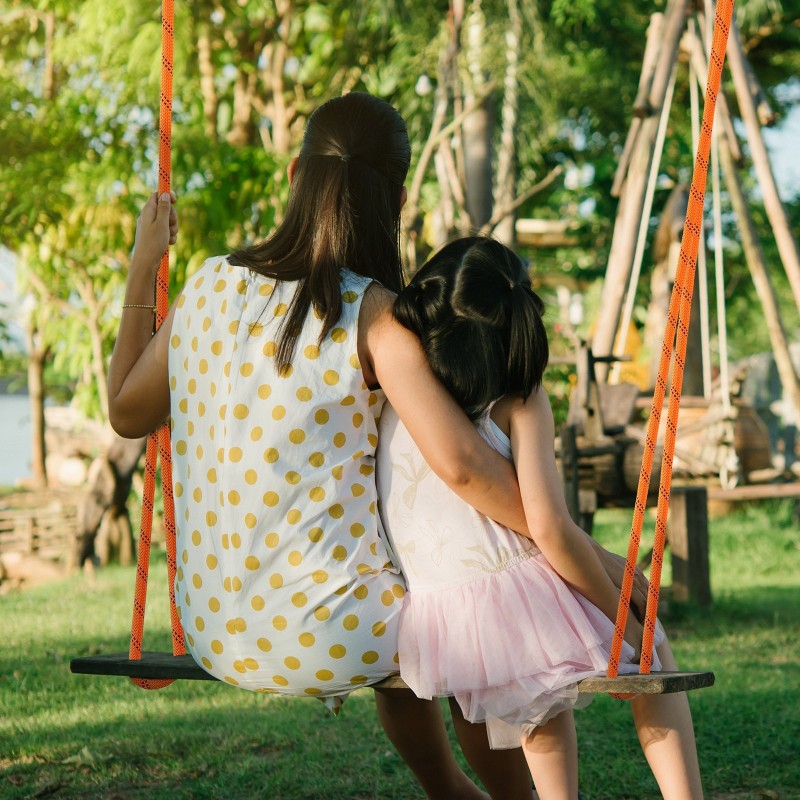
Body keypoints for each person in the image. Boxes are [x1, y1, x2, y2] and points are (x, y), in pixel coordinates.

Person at [107, 93, 538, 799]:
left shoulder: (207, 285)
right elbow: (463, 464)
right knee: (463, 616)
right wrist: (572, 549)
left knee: (415, 645)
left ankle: (448, 788)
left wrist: (142, 261)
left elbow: (127, 411)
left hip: (220, 632)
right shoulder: (375, 316)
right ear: (398, 198)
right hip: (331, 630)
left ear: (292, 175)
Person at [377, 236, 705, 800]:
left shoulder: (396, 395)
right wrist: (622, 613)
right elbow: (549, 529)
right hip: (516, 593)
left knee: (528, 713)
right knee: (653, 653)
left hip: (435, 617)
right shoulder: (519, 400)